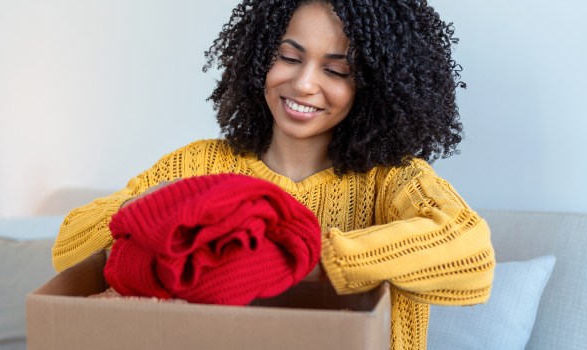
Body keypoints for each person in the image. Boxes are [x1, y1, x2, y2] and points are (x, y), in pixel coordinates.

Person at [51, 0, 494, 349]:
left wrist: (297, 255)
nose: (303, 84)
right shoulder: (200, 165)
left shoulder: (394, 180)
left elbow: (471, 255)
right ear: (261, 58)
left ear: (374, 86)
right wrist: (146, 212)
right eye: (288, 57)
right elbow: (69, 246)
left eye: (337, 70)